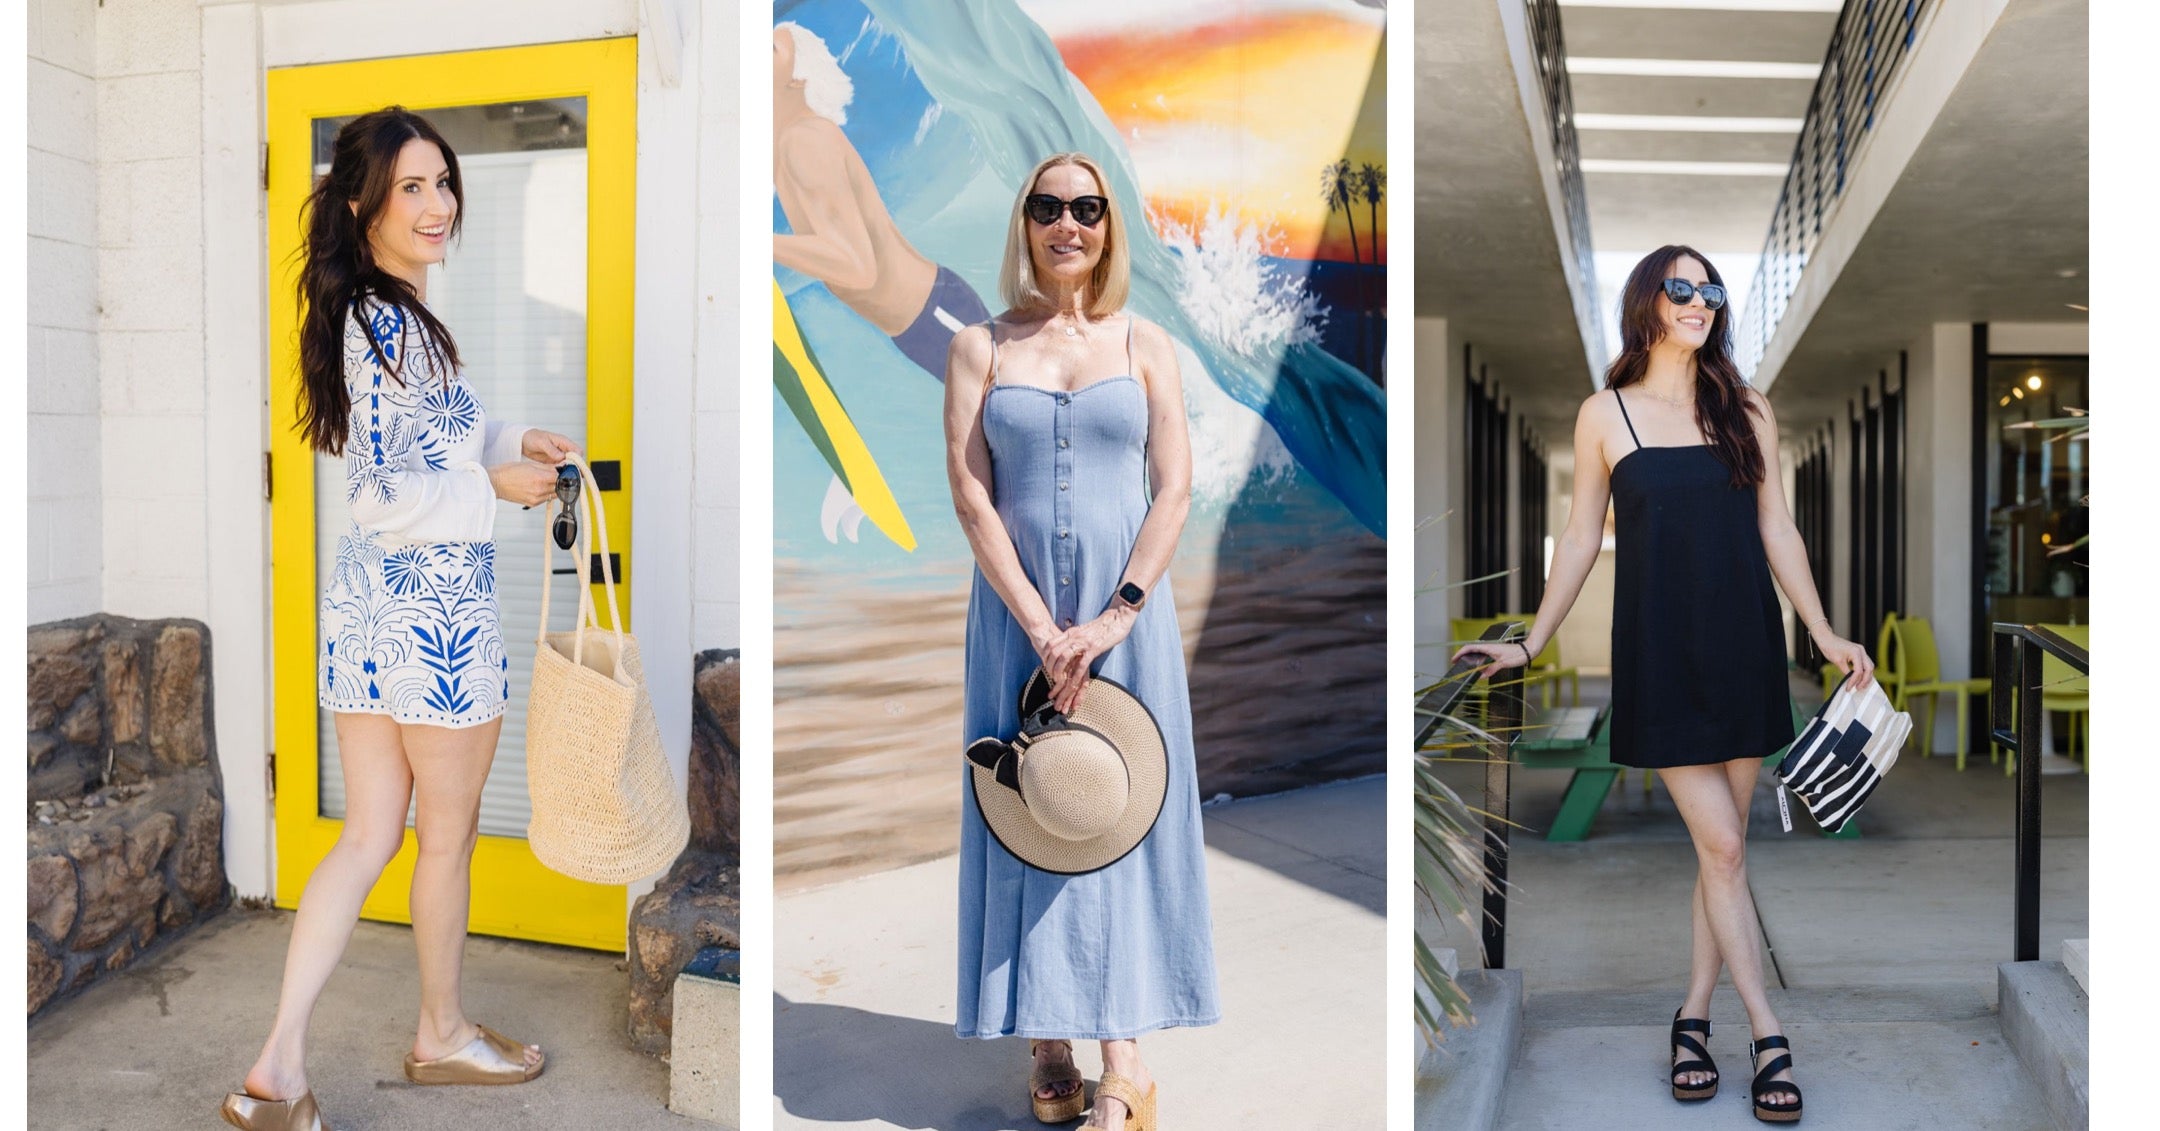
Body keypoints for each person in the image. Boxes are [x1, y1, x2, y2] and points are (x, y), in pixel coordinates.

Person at [1453, 246, 1873, 1125]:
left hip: (1745, 648)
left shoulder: (1746, 407)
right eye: (1680, 288)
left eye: (1709, 289)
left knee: (1723, 855)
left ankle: (1692, 1018)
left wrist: (1822, 629)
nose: (1698, 301)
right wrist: (1533, 641)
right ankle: (1768, 1031)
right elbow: (1579, 537)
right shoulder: (1603, 414)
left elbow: (1777, 527)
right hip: (1660, 655)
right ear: (1647, 300)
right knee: (1723, 848)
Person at [221, 107, 575, 1131]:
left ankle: (277, 1068)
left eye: (442, 182)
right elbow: (383, 492)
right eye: (410, 187)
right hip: (437, 622)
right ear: (362, 205)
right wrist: (497, 489)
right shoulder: (389, 322)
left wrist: (511, 436)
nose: (436, 205)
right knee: (444, 841)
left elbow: (432, 443)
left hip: (373, 617)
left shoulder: (382, 315)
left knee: (369, 834)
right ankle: (441, 1035)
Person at [943, 152, 1218, 1131]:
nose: (1069, 223)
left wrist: (1112, 618)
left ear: (1108, 227)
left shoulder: (1147, 345)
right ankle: (1047, 1038)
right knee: (1034, 801)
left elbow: (1174, 488)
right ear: (1026, 223)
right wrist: (1038, 625)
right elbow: (971, 492)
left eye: (1088, 208)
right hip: (1015, 623)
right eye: (1049, 207)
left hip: (1123, 628)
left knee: (1119, 812)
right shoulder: (978, 346)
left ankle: (1125, 1058)